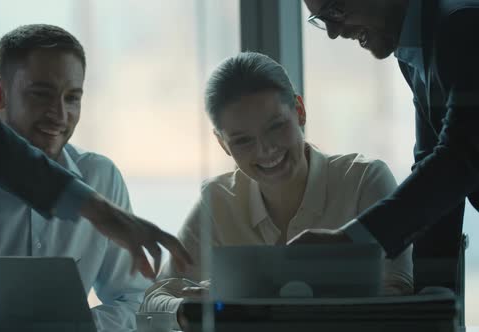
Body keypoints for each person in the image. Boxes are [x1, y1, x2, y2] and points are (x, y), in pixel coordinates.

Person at [0, 1, 190, 330]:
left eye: (72, 98)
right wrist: (91, 206)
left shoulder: (102, 175)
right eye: (40, 94)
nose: (59, 115)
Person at [139, 52, 413, 330]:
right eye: (243, 141)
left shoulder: (363, 181)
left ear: (300, 110)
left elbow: (398, 288)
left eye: (276, 127)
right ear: (222, 144)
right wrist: (191, 307)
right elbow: (153, 297)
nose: (265, 150)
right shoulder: (218, 200)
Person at [293, 0, 479, 293]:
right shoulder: (417, 51)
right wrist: (432, 302)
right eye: (322, 19)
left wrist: (354, 241)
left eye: (334, 10)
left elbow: (461, 159)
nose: (332, 31)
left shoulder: (463, 25)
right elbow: (435, 172)